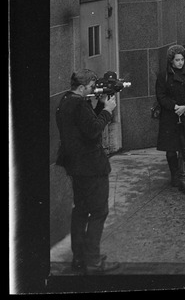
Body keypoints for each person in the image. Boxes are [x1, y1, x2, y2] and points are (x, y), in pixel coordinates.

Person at [55, 69, 120, 274]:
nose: (95, 89)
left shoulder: (66, 100)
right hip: (92, 167)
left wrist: (100, 104)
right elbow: (93, 130)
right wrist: (108, 110)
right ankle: (93, 261)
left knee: (81, 211)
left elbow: (84, 125)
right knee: (99, 212)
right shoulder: (79, 104)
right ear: (82, 87)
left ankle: (79, 258)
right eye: (92, 87)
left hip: (76, 167)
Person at [155, 44, 185, 195]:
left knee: (184, 147)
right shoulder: (163, 75)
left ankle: (182, 177)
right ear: (171, 61)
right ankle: (174, 175)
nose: (180, 63)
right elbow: (161, 96)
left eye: (182, 59)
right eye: (177, 60)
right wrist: (174, 106)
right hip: (170, 116)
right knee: (171, 149)